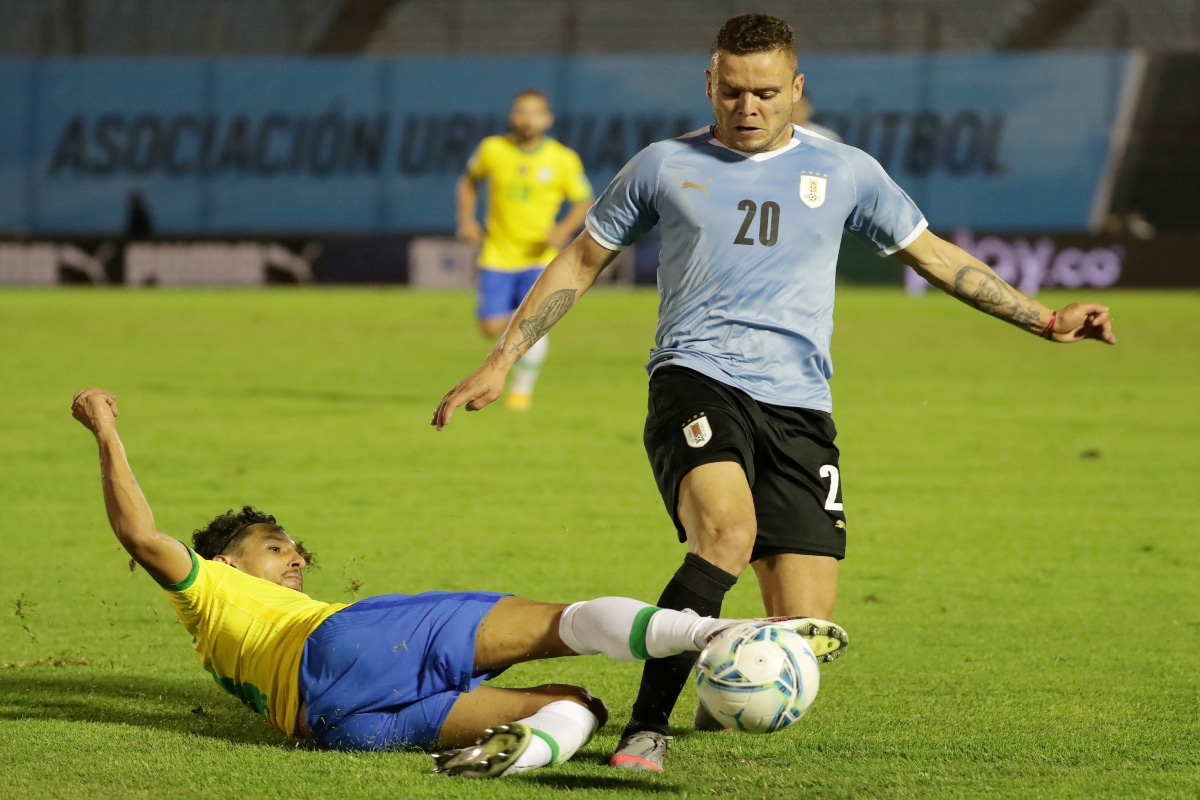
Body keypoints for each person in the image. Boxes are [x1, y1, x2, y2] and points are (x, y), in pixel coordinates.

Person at [432, 13, 1117, 774]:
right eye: (732, 92)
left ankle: (712, 704)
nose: (747, 108)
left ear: (796, 89)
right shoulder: (664, 165)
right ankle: (644, 729)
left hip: (800, 406)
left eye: (764, 92)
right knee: (724, 534)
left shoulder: (848, 170)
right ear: (710, 85)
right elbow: (580, 259)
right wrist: (503, 358)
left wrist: (1045, 318)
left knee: (798, 632)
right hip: (695, 377)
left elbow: (934, 256)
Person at [69, 387, 839, 779]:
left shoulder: (228, 645)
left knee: (578, 708)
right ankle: (721, 634)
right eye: (275, 548)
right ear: (228, 563)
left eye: (296, 548)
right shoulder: (208, 591)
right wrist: (107, 429)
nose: (295, 557)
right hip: (344, 647)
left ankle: (527, 754)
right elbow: (141, 534)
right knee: (563, 623)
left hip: (333, 727)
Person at [456, 89, 594, 411]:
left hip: (539, 257)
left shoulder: (562, 159)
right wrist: (465, 219)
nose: (527, 118)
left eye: (535, 112)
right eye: (521, 111)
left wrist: (562, 230)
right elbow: (468, 180)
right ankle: (526, 332)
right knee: (490, 327)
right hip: (497, 255)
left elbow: (583, 200)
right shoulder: (493, 149)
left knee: (535, 319)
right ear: (511, 116)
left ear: (548, 119)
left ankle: (522, 389)